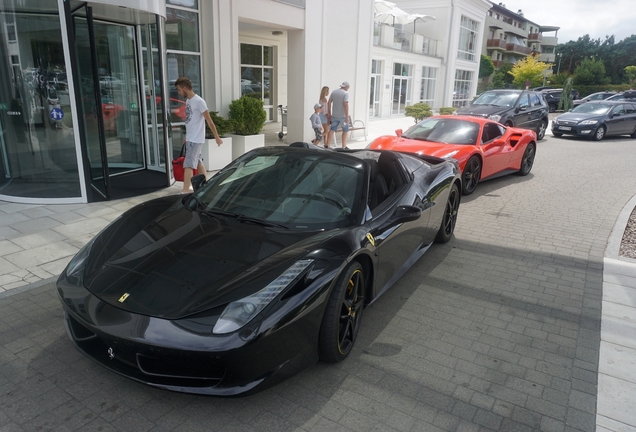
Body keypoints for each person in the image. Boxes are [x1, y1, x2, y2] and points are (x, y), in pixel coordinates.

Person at [174, 77, 222, 193]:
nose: (179, 93)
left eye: (179, 90)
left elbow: (209, 121)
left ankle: (185, 190)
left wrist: (217, 137)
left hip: (196, 139)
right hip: (192, 138)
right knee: (199, 162)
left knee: (188, 164)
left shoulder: (199, 101)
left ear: (185, 88)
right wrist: (187, 135)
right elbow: (191, 121)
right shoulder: (189, 101)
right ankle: (206, 186)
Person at [325, 81, 350, 149]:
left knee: (332, 129)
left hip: (334, 115)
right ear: (346, 87)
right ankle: (344, 146)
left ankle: (328, 144)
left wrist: (329, 112)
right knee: (345, 131)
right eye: (348, 87)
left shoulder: (334, 92)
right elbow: (346, 105)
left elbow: (329, 102)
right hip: (343, 116)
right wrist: (347, 116)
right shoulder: (345, 93)